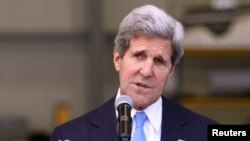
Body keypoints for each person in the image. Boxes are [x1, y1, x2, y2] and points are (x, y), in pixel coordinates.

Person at [50, 4, 218, 141]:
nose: (146, 71)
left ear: (171, 70)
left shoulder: (205, 133)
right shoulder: (71, 136)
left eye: (159, 61)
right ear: (117, 59)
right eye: (139, 56)